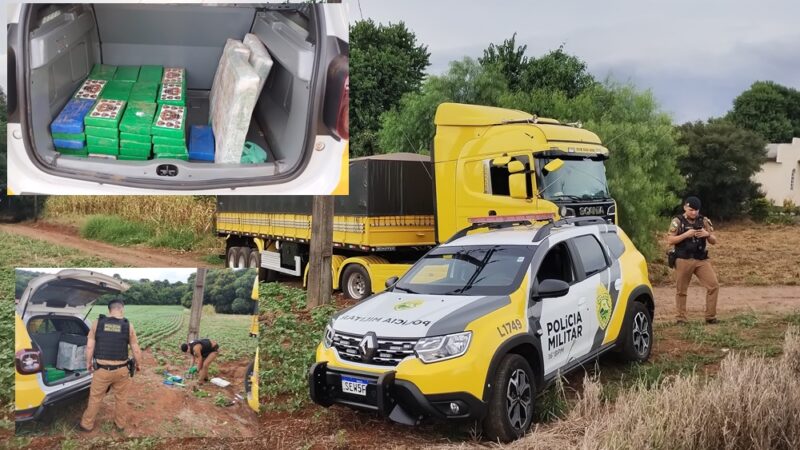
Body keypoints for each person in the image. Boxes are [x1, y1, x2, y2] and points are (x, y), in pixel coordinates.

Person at [80, 299, 142, 432]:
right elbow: (136, 349)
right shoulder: (128, 325)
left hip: (102, 370)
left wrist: (88, 363)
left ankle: (87, 424)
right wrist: (138, 364)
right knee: (121, 398)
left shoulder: (97, 323)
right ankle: (120, 425)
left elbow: (90, 346)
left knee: (95, 398)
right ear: (122, 309)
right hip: (122, 370)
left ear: (109, 310)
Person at [667, 196, 720, 324]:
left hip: (701, 259)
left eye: (696, 210)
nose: (694, 212)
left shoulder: (704, 221)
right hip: (683, 259)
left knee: (713, 285)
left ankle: (710, 317)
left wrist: (706, 234)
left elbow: (714, 240)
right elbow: (670, 240)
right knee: (681, 290)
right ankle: (681, 318)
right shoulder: (677, 221)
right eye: (691, 210)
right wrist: (686, 235)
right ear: (685, 207)